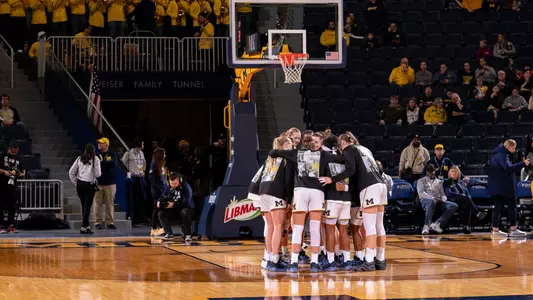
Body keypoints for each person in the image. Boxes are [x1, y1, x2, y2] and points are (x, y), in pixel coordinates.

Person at [268, 135, 343, 273]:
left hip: (300, 192)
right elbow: (341, 159)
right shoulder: (323, 155)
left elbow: (272, 153)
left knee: (298, 228)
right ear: (315, 145)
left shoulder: (296, 153)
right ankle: (314, 262)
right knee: (315, 229)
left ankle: (294, 262)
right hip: (317, 192)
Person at [321, 132, 387, 272]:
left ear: (343, 143)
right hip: (381, 186)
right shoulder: (365, 149)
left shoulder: (349, 149)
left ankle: (368, 261)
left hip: (369, 187)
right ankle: (380, 260)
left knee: (370, 226)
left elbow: (350, 169)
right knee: (379, 225)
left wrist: (331, 179)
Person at [259, 136, 294, 272]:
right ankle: (274, 260)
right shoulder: (287, 159)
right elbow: (287, 181)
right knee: (279, 227)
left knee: (270, 227)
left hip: (263, 192)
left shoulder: (269, 159)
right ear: (284, 145)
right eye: (290, 143)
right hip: (276, 192)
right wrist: (289, 200)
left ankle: (267, 258)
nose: (292, 146)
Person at [320, 133, 354, 271]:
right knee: (344, 231)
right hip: (346, 198)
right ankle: (346, 260)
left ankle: (330, 260)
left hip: (332, 198)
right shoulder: (345, 158)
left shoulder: (325, 158)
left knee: (330, 231)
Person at [487, 140, 529, 237]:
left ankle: (495, 230)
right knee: (512, 206)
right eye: (513, 148)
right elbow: (508, 168)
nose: (514, 150)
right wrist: (523, 163)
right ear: (509, 146)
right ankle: (513, 229)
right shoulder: (502, 155)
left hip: (497, 186)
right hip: (504, 187)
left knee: (498, 207)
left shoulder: (497, 154)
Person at [69, 144, 102, 234]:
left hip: (80, 184)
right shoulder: (96, 159)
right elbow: (98, 174)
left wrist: (76, 182)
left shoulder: (80, 158)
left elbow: (71, 172)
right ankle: (83, 227)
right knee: (87, 207)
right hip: (89, 185)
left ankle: (86, 226)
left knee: (84, 206)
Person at [443, 166, 487, 233]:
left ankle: (466, 227)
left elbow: (467, 193)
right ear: (450, 173)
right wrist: (462, 196)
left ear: (458, 173)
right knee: (466, 199)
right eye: (452, 171)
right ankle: (478, 214)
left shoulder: (462, 182)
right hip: (453, 200)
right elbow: (449, 193)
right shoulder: (448, 182)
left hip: (463, 201)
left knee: (467, 204)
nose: (454, 173)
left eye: (456, 171)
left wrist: (466, 197)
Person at [417, 164, 458, 234]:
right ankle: (426, 226)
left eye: (433, 171)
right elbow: (421, 193)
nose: (432, 173)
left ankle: (437, 224)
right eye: (430, 171)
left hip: (438, 201)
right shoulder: (421, 181)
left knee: (454, 205)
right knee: (431, 201)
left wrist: (443, 200)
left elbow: (443, 194)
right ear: (427, 172)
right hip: (425, 201)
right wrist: (433, 198)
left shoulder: (439, 182)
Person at [156, 173, 195, 241]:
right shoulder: (168, 187)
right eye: (172, 183)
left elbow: (186, 202)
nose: (173, 185)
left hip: (188, 208)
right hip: (175, 209)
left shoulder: (186, 186)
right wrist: (159, 202)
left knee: (184, 212)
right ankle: (169, 233)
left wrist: (173, 204)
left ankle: (188, 234)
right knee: (161, 213)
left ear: (180, 181)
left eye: (175, 183)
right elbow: (162, 196)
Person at [0, 141, 25, 234]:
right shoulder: (2, 156)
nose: (15, 153)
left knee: (12, 206)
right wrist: (4, 172)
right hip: (2, 184)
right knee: (1, 206)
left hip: (13, 185)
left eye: (16, 152)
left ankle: (11, 226)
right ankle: (1, 226)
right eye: (13, 152)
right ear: (9, 149)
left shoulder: (18, 158)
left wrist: (19, 174)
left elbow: (23, 171)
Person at [122, 137, 148, 225]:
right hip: (132, 178)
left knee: (142, 198)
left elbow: (144, 163)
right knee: (133, 199)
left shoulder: (142, 153)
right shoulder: (128, 153)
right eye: (143, 144)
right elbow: (122, 164)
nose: (143, 145)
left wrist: (143, 171)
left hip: (140, 178)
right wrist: (128, 173)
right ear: (139, 144)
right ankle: (133, 219)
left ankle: (141, 218)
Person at [94, 137, 118, 230]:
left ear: (106, 145)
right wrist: (106, 163)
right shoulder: (96, 154)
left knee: (110, 204)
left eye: (101, 143)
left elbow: (113, 164)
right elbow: (95, 165)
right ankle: (97, 222)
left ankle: (110, 222)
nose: (99, 144)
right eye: (99, 143)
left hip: (110, 184)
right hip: (98, 183)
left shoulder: (112, 154)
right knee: (97, 204)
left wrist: (102, 163)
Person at [149, 147, 168, 236]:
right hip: (157, 191)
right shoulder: (153, 165)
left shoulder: (162, 164)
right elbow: (152, 179)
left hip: (163, 189)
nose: (165, 155)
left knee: (161, 209)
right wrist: (159, 189)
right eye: (164, 154)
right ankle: (153, 228)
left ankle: (161, 228)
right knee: (157, 208)